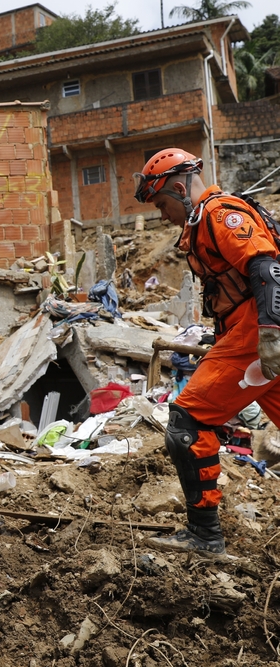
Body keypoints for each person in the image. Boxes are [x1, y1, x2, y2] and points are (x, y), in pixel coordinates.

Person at [134, 148, 280, 556]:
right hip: (251, 333)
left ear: (179, 188)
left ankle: (204, 535)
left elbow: (266, 267)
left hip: (259, 334)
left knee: (187, 420)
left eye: (162, 203)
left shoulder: (220, 214)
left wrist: (270, 332)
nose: (162, 214)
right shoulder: (201, 223)